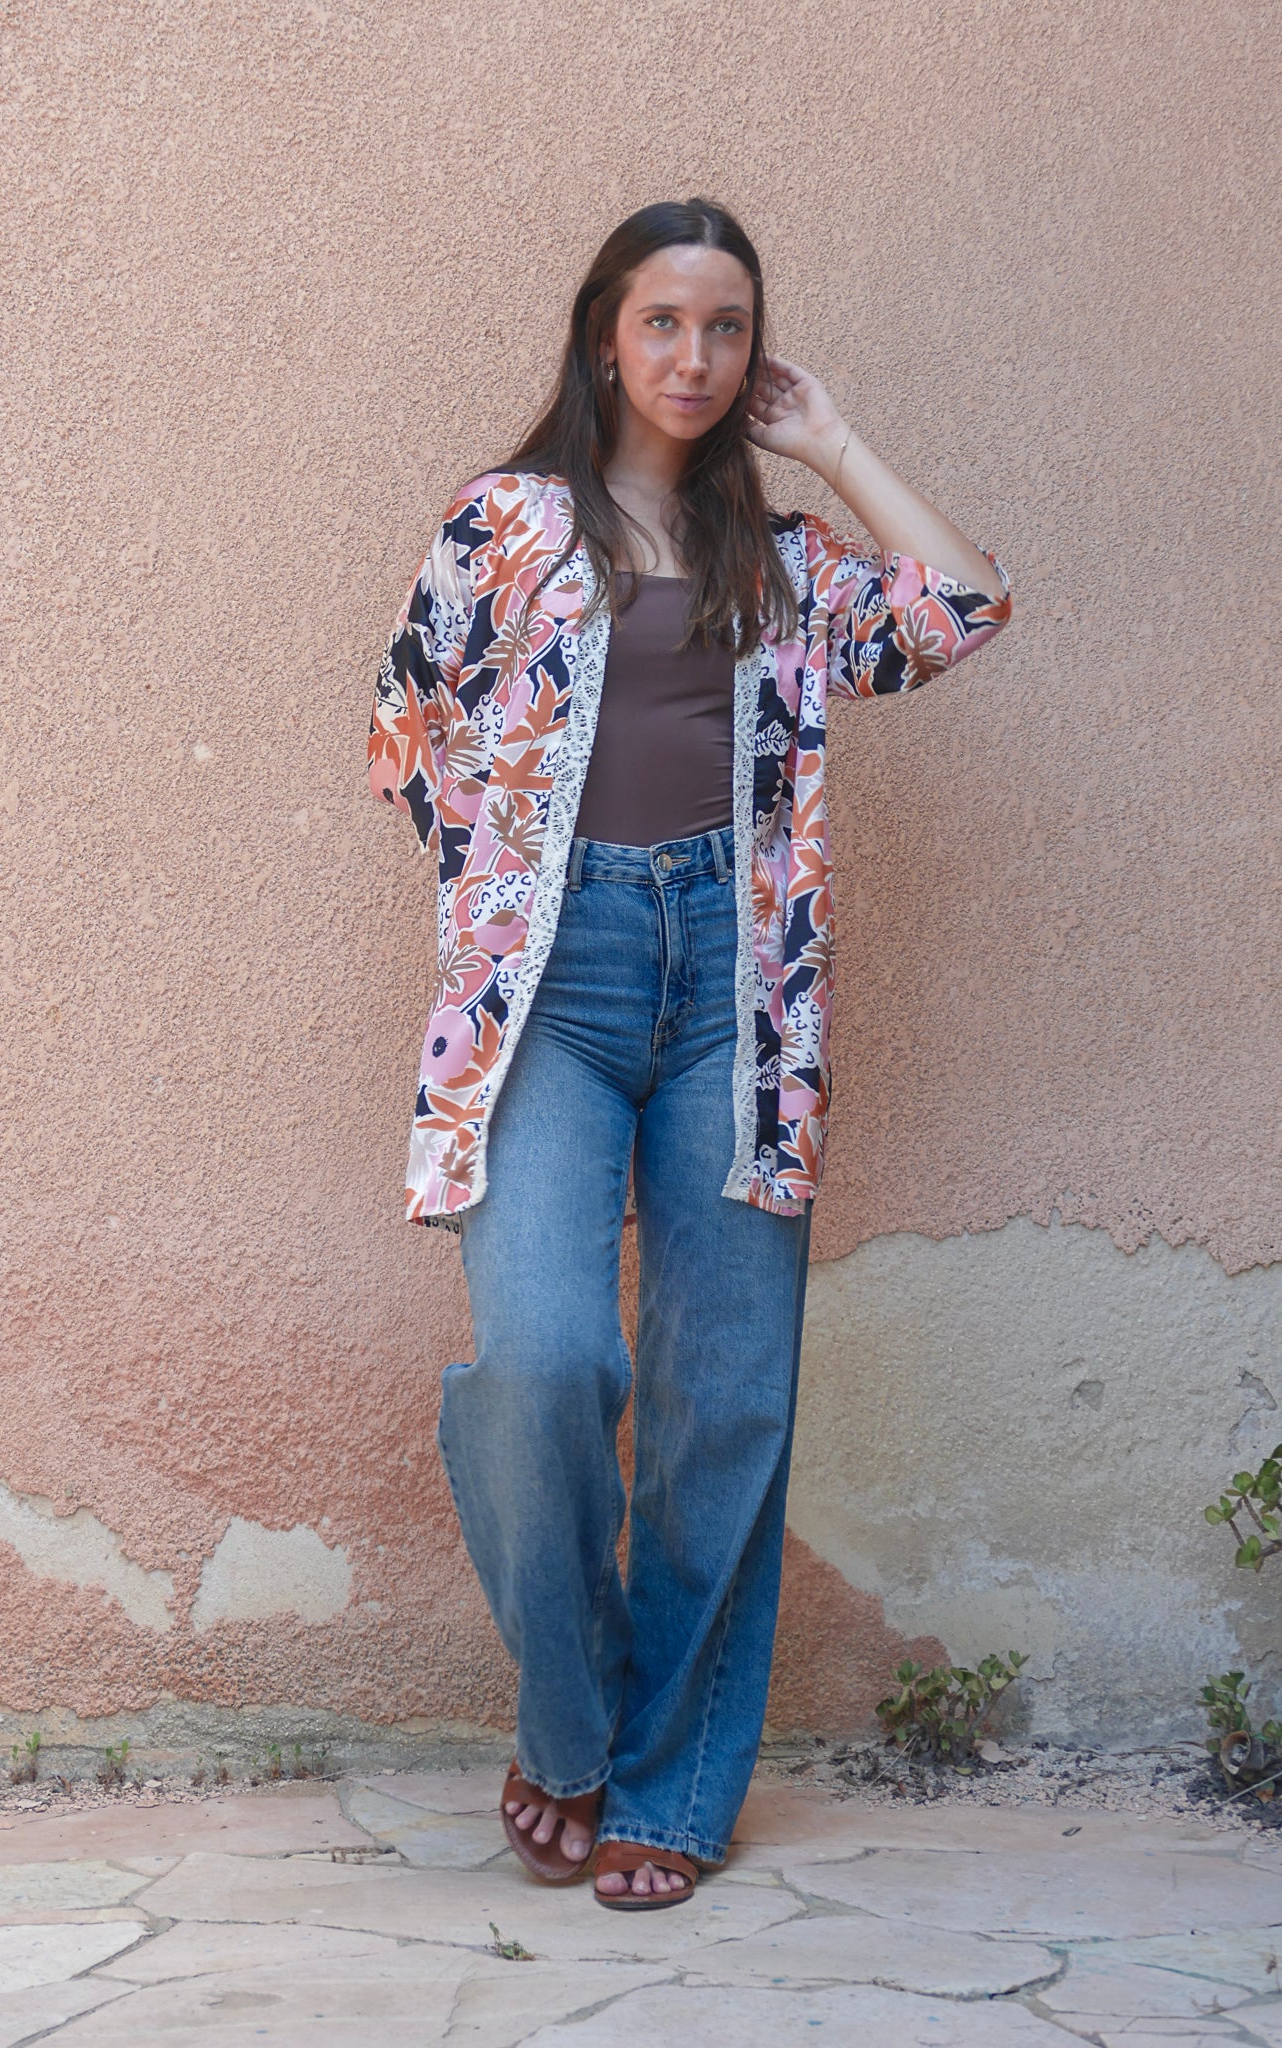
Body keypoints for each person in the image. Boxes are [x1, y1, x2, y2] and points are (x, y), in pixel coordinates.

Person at [368, 197, 1011, 1909]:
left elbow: (957, 607)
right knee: (545, 1369)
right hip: (553, 995)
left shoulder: (784, 560)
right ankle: (568, 1725)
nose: (695, 358)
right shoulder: (504, 523)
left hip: (739, 990)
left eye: (725, 328)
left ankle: (667, 1784)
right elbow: (405, 723)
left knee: (721, 1405)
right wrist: (508, 898)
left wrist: (841, 441)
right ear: (603, 336)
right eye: (663, 323)